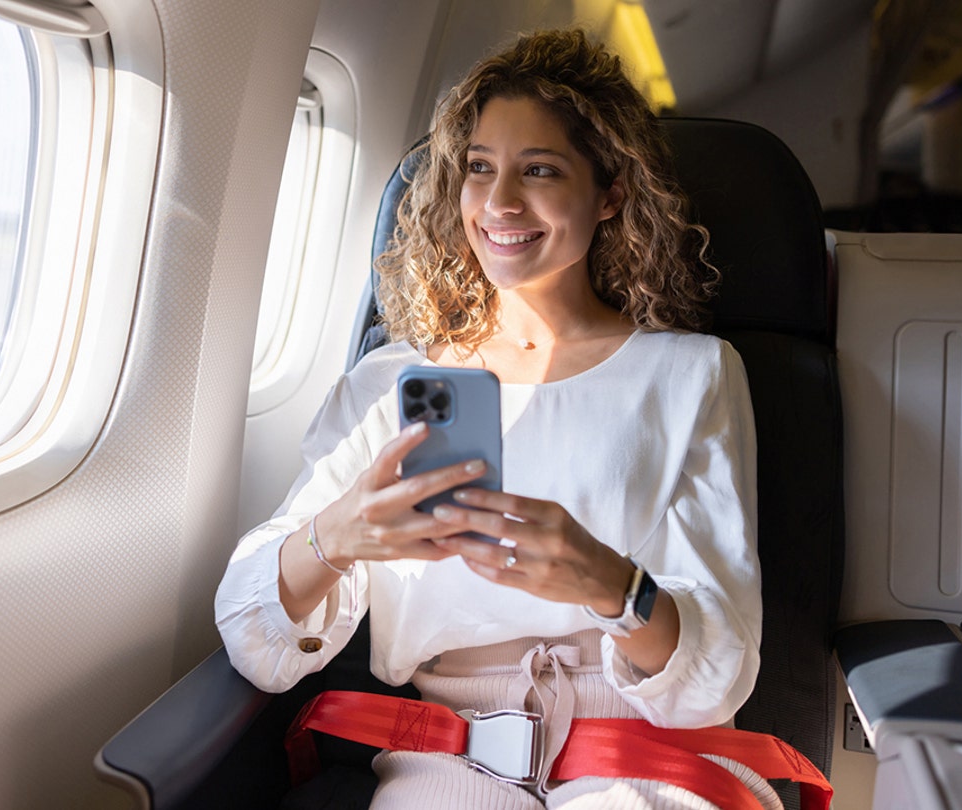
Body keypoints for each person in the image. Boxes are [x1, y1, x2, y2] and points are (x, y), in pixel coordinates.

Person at [216, 28, 776, 809]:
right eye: (480, 169)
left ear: (609, 191)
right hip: (450, 752)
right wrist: (338, 535)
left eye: (539, 170)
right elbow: (255, 642)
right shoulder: (394, 384)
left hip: (642, 748)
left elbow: (715, 677)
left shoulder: (691, 375)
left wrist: (610, 585)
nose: (501, 203)